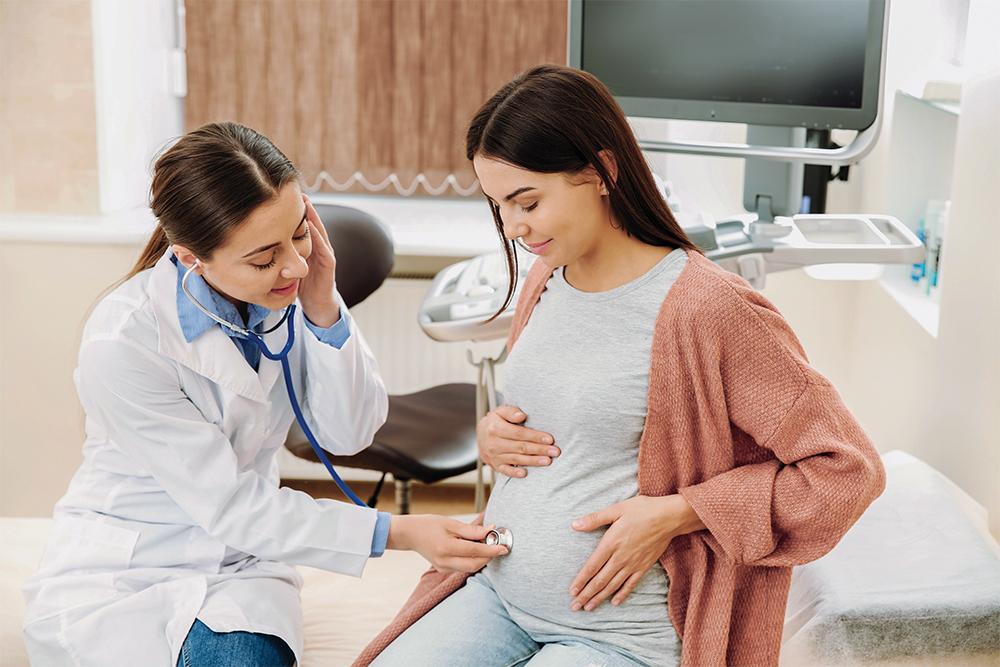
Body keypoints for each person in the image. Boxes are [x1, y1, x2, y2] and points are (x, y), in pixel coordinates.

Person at [357, 65, 885, 667]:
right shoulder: (545, 277)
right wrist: (492, 437)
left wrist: (679, 512)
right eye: (498, 205)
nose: (512, 228)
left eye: (527, 201)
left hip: (620, 635)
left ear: (602, 171)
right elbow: (578, 422)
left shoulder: (711, 311)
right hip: (497, 594)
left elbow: (848, 471)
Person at [21, 122, 507, 667]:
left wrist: (324, 309)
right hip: (132, 563)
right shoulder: (125, 343)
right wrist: (400, 532)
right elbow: (227, 502)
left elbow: (350, 434)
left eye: (300, 233)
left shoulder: (293, 297)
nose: (295, 265)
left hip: (243, 563)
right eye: (263, 257)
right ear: (191, 258)